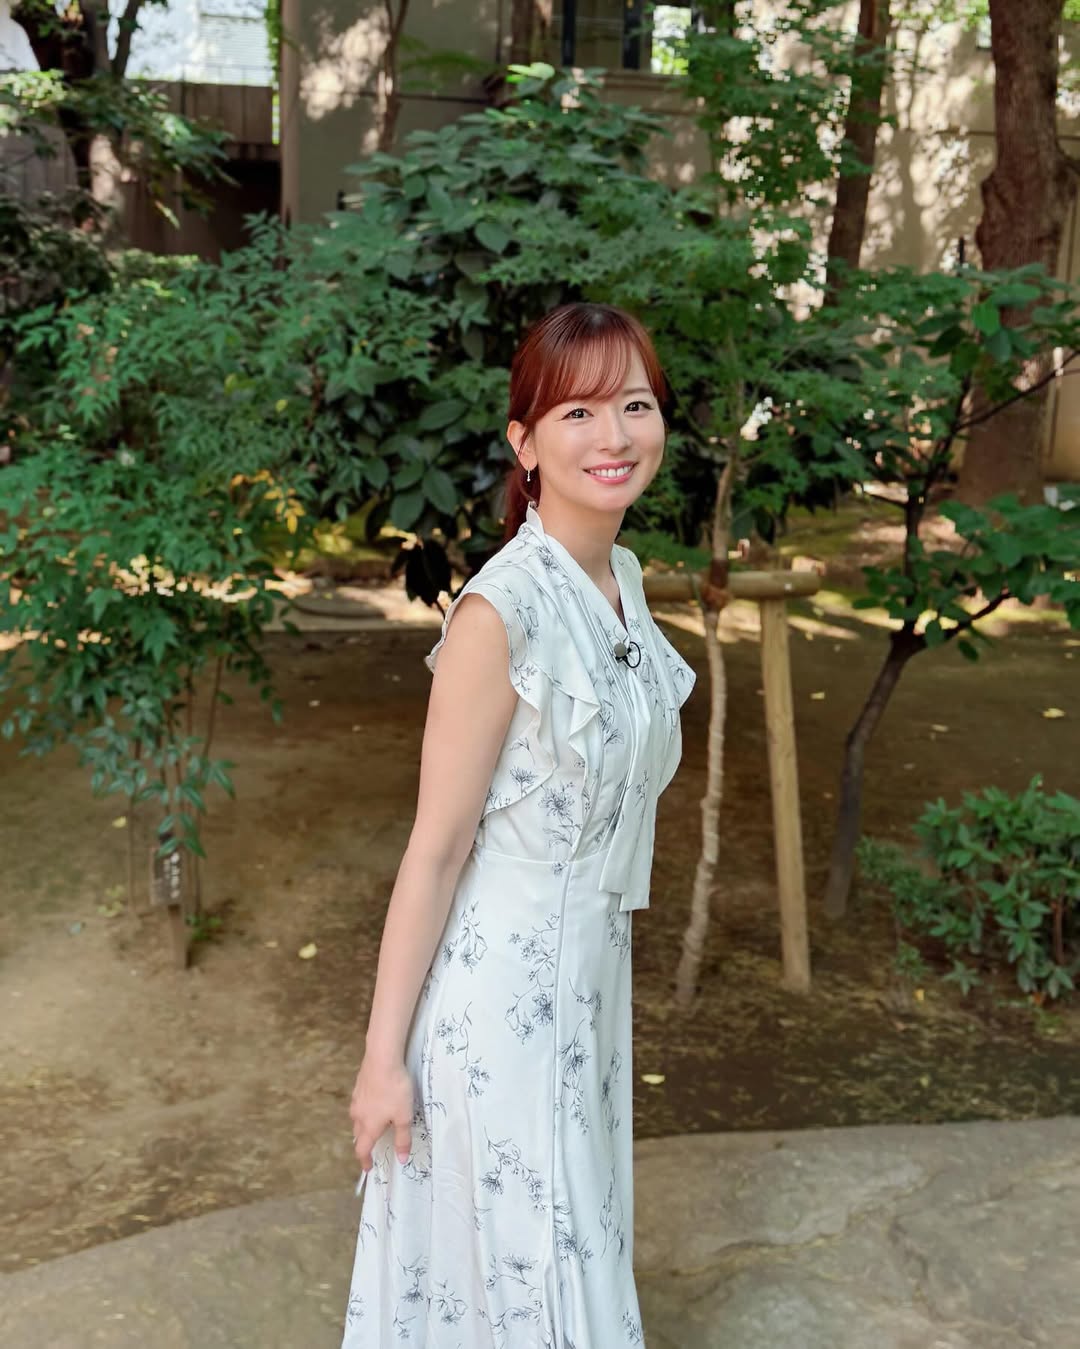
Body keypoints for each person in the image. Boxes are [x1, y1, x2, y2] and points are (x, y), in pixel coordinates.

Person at [341, 302, 697, 1347]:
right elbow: (436, 849)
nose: (614, 435)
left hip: (589, 991)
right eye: (578, 412)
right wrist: (382, 1060)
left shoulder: (620, 577)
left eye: (635, 405)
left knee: (564, 1254)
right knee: (531, 1278)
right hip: (500, 1009)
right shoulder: (500, 614)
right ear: (525, 442)